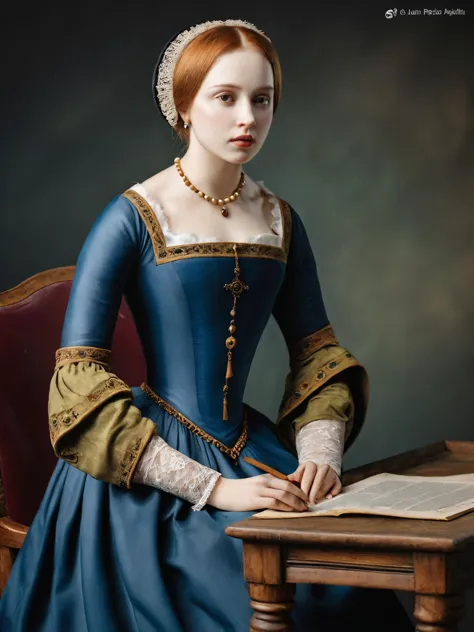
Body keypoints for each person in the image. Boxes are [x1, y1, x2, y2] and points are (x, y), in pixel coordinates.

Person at [0, 19, 413, 632]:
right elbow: (80, 379)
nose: (248, 116)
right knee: (233, 586)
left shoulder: (280, 219)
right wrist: (216, 491)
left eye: (262, 98)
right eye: (226, 97)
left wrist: (319, 453)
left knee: (342, 584)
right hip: (146, 474)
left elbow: (319, 354)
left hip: (251, 449)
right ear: (185, 106)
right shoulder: (132, 217)